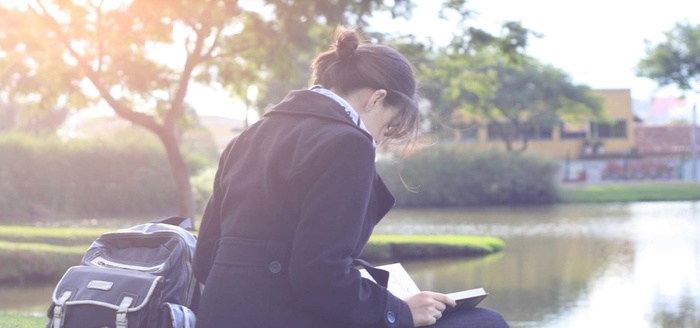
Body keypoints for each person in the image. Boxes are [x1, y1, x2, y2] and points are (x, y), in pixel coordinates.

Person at [192, 26, 509, 328]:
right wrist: (399, 311)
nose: (380, 137)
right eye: (388, 126)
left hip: (219, 316)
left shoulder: (246, 138)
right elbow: (319, 277)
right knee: (483, 322)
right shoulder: (348, 143)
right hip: (281, 318)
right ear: (376, 98)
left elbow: (205, 259)